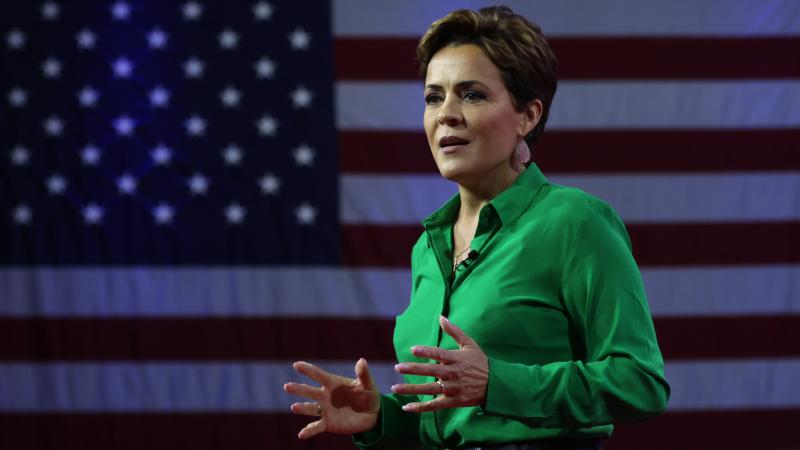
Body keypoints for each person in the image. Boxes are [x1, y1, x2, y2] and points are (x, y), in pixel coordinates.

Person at [284, 6, 670, 449]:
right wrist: (380, 419)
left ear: (527, 115)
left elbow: (640, 383)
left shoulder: (575, 222)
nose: (446, 114)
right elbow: (451, 422)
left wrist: (497, 383)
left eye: (471, 95)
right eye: (434, 97)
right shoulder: (428, 247)